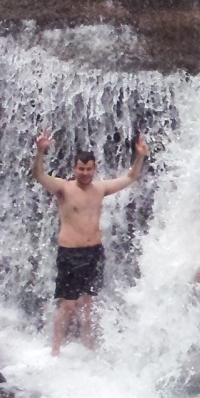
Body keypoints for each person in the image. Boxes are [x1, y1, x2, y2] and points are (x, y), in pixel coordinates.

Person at [32, 129, 148, 356]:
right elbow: (39, 175)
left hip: (94, 252)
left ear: (95, 169)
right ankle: (55, 350)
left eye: (89, 169)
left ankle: (88, 347)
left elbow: (131, 178)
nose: (85, 173)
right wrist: (39, 152)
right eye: (81, 169)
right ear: (74, 169)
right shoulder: (63, 188)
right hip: (70, 253)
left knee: (89, 304)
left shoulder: (100, 189)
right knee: (68, 304)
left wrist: (140, 156)